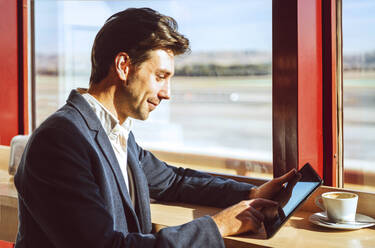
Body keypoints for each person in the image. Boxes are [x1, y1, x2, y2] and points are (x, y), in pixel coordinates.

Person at [14, 8, 300, 248]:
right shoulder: (62, 141)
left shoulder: (114, 131)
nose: (167, 93)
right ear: (124, 66)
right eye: (160, 76)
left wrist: (250, 194)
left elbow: (174, 181)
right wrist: (216, 227)